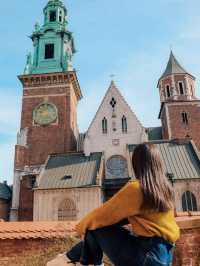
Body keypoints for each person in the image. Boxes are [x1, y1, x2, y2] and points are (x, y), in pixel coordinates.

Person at [47, 143, 180, 266]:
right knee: (99, 227)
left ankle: (73, 260)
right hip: (163, 257)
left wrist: (80, 228)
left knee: (95, 226)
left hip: (146, 256)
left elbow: (100, 215)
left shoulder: (137, 189)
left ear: (136, 164)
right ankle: (75, 260)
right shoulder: (166, 189)